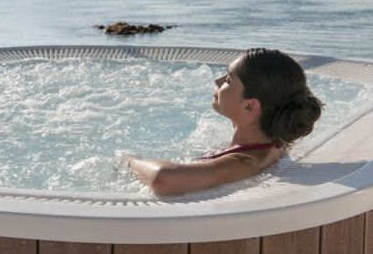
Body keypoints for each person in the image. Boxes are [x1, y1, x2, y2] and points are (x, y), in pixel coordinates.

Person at [127, 48, 323, 195]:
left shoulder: (243, 161)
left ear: (250, 106)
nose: (218, 81)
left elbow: (163, 179)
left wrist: (131, 161)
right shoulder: (274, 143)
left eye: (229, 80)